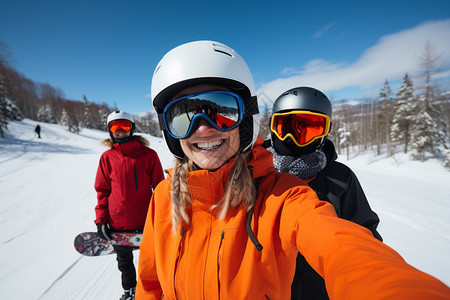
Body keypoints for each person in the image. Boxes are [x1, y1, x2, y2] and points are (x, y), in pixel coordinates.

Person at [135, 40, 450, 299]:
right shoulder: (163, 197)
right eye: (183, 114)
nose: (202, 128)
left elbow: (349, 248)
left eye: (222, 110)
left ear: (247, 119)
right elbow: (150, 286)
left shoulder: (284, 196)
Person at [267, 86, 382, 299]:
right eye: (286, 127)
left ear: (324, 133)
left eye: (309, 128)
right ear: (273, 127)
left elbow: (365, 236)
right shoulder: (257, 175)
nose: (293, 138)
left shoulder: (339, 178)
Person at [94, 110, 165, 300]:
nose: (119, 131)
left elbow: (160, 188)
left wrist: (163, 216)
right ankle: (130, 291)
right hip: (118, 222)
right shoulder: (107, 158)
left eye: (123, 126)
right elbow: (102, 191)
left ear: (131, 128)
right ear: (109, 131)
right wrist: (101, 220)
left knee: (151, 260)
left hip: (146, 220)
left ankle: (156, 290)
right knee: (124, 262)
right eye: (114, 127)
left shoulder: (148, 155)